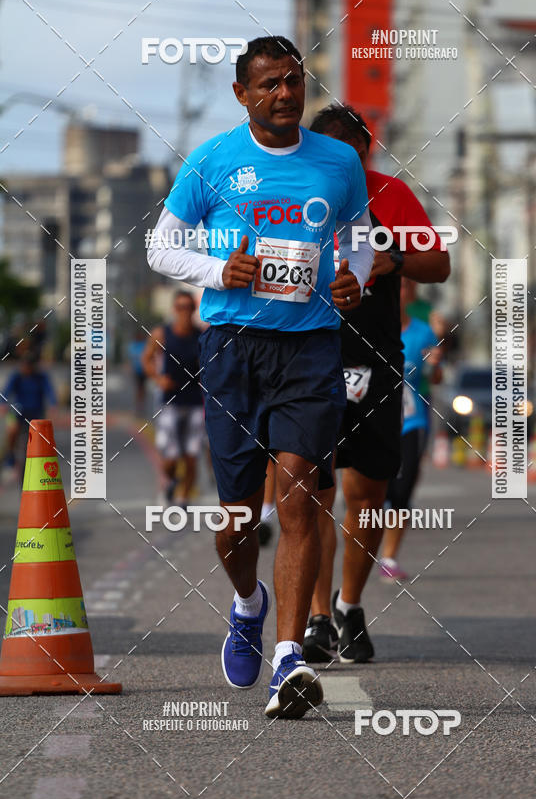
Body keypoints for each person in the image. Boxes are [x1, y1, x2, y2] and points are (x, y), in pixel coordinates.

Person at [147, 36, 375, 718]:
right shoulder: (214, 159)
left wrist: (353, 279)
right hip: (233, 351)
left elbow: (360, 237)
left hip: (310, 349)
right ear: (243, 94)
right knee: (239, 519)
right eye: (270, 83)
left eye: (294, 82)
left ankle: (288, 660)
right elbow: (161, 244)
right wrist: (220, 272)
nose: (285, 93)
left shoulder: (338, 161)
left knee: (301, 495)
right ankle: (248, 603)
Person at [302, 104, 450, 664]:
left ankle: (350, 604)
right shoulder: (290, 192)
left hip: (375, 357)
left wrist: (396, 258)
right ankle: (316, 616)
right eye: (331, 150)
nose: (344, 161)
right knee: (311, 492)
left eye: (354, 151)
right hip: (307, 356)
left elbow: (439, 264)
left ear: (366, 151)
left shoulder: (390, 194)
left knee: (367, 492)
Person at [380, 278, 443, 581]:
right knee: (378, 493)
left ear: (411, 294)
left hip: (412, 420)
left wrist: (437, 362)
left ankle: (389, 558)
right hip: (376, 422)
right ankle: (367, 551)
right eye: (396, 286)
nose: (399, 291)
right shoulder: (373, 328)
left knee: (402, 493)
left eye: (405, 287)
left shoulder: (422, 332)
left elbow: (436, 377)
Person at [141, 290, 205, 507]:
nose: (184, 311)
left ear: (194, 309)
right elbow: (147, 359)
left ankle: (183, 498)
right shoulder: (162, 333)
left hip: (195, 401)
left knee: (191, 456)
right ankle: (170, 480)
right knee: (171, 457)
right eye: (180, 307)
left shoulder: (201, 335)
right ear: (174, 309)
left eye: (188, 307)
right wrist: (158, 379)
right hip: (170, 401)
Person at [1, 352, 57, 469]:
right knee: (12, 430)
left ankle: (37, 459)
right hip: (17, 411)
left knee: (40, 437)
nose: (24, 369)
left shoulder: (41, 377)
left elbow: (50, 391)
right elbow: (6, 391)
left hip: (35, 413)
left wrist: (53, 405)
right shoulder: (16, 376)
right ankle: (11, 455)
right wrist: (3, 404)